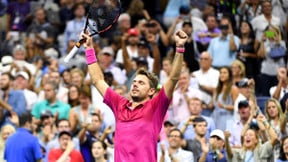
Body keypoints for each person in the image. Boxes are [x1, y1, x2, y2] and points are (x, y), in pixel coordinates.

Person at [82, 29, 188, 162]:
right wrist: (89, 49)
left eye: (141, 83)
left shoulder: (156, 106)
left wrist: (179, 48)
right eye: (134, 82)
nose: (136, 84)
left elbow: (173, 78)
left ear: (151, 91)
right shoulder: (119, 104)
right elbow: (97, 80)